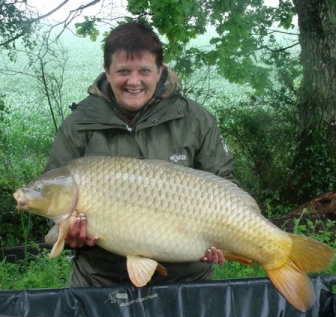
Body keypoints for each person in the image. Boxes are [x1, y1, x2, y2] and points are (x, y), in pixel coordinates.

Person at [44, 21, 235, 287]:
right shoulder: (79, 125)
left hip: (186, 278)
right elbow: (53, 196)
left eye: (144, 71)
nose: (134, 81)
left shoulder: (195, 119)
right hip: (100, 280)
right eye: (123, 71)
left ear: (160, 71)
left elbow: (224, 183)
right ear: (107, 72)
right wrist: (71, 237)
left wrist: (222, 239)